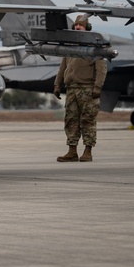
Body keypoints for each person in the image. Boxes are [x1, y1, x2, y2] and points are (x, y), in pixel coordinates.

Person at [53, 16, 107, 163]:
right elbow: (63, 67)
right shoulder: (69, 47)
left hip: (87, 89)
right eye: (76, 25)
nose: (77, 27)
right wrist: (57, 84)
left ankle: (88, 151)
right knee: (71, 121)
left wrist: (97, 87)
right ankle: (72, 151)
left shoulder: (95, 47)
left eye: (80, 25)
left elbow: (101, 70)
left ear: (87, 27)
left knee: (88, 120)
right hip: (71, 89)